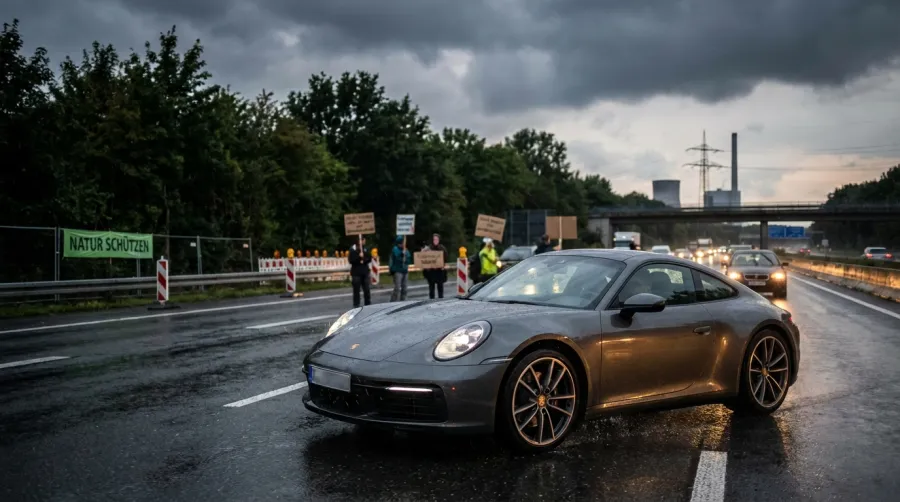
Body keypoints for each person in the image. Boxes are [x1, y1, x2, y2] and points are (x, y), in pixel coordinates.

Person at [348, 237, 372, 307]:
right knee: (356, 290)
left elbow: (369, 258)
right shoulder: (353, 249)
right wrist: (359, 257)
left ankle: (368, 304)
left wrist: (364, 259)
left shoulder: (365, 249)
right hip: (356, 273)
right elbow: (351, 260)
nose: (365, 241)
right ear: (359, 241)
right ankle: (356, 304)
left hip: (365, 272)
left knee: (367, 289)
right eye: (363, 239)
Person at [424, 233, 449, 299]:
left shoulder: (442, 248)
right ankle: (431, 300)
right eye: (434, 239)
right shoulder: (428, 248)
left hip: (439, 271)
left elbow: (446, 258)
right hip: (431, 272)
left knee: (440, 288)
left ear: (439, 240)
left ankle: (440, 300)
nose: (435, 241)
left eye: (436, 239)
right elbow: (424, 258)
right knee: (431, 288)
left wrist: (442, 264)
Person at [389, 235, 410, 301]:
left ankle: (403, 301)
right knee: (397, 288)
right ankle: (393, 301)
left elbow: (409, 259)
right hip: (397, 271)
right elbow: (397, 257)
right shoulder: (395, 249)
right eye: (402, 242)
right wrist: (402, 254)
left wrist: (406, 259)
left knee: (405, 288)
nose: (403, 244)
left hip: (405, 271)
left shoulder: (406, 250)